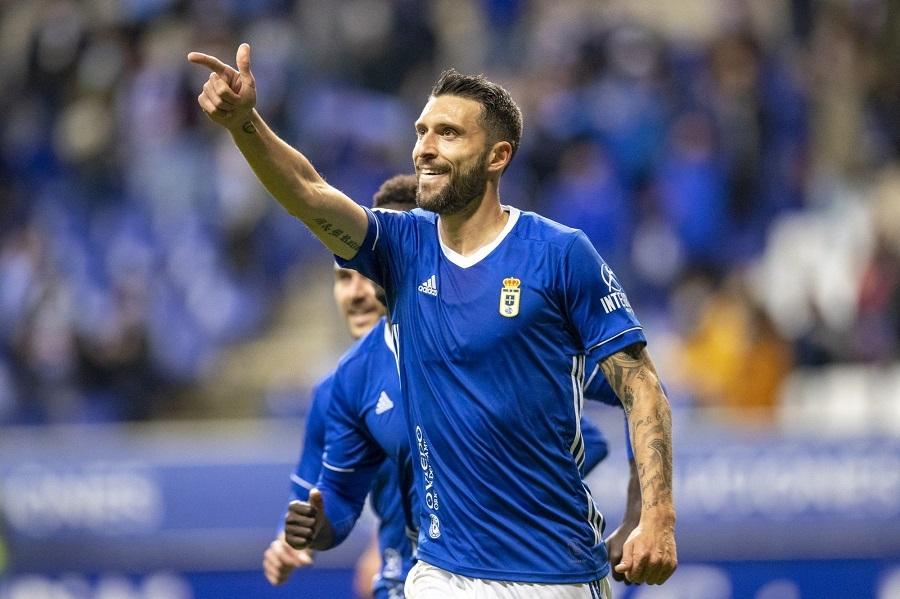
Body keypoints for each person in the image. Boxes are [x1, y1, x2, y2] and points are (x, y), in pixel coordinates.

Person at [189, 43, 676, 597]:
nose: (423, 147)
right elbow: (307, 192)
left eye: (447, 133)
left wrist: (652, 516)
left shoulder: (559, 254)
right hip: (440, 572)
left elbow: (641, 386)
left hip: (552, 573)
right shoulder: (402, 247)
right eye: (421, 131)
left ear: (498, 156)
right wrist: (244, 123)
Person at [262, 175, 418, 595]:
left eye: (366, 274)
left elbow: (582, 440)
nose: (357, 294)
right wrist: (289, 538)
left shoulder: (473, 351)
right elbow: (317, 495)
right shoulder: (339, 389)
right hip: (402, 582)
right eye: (343, 279)